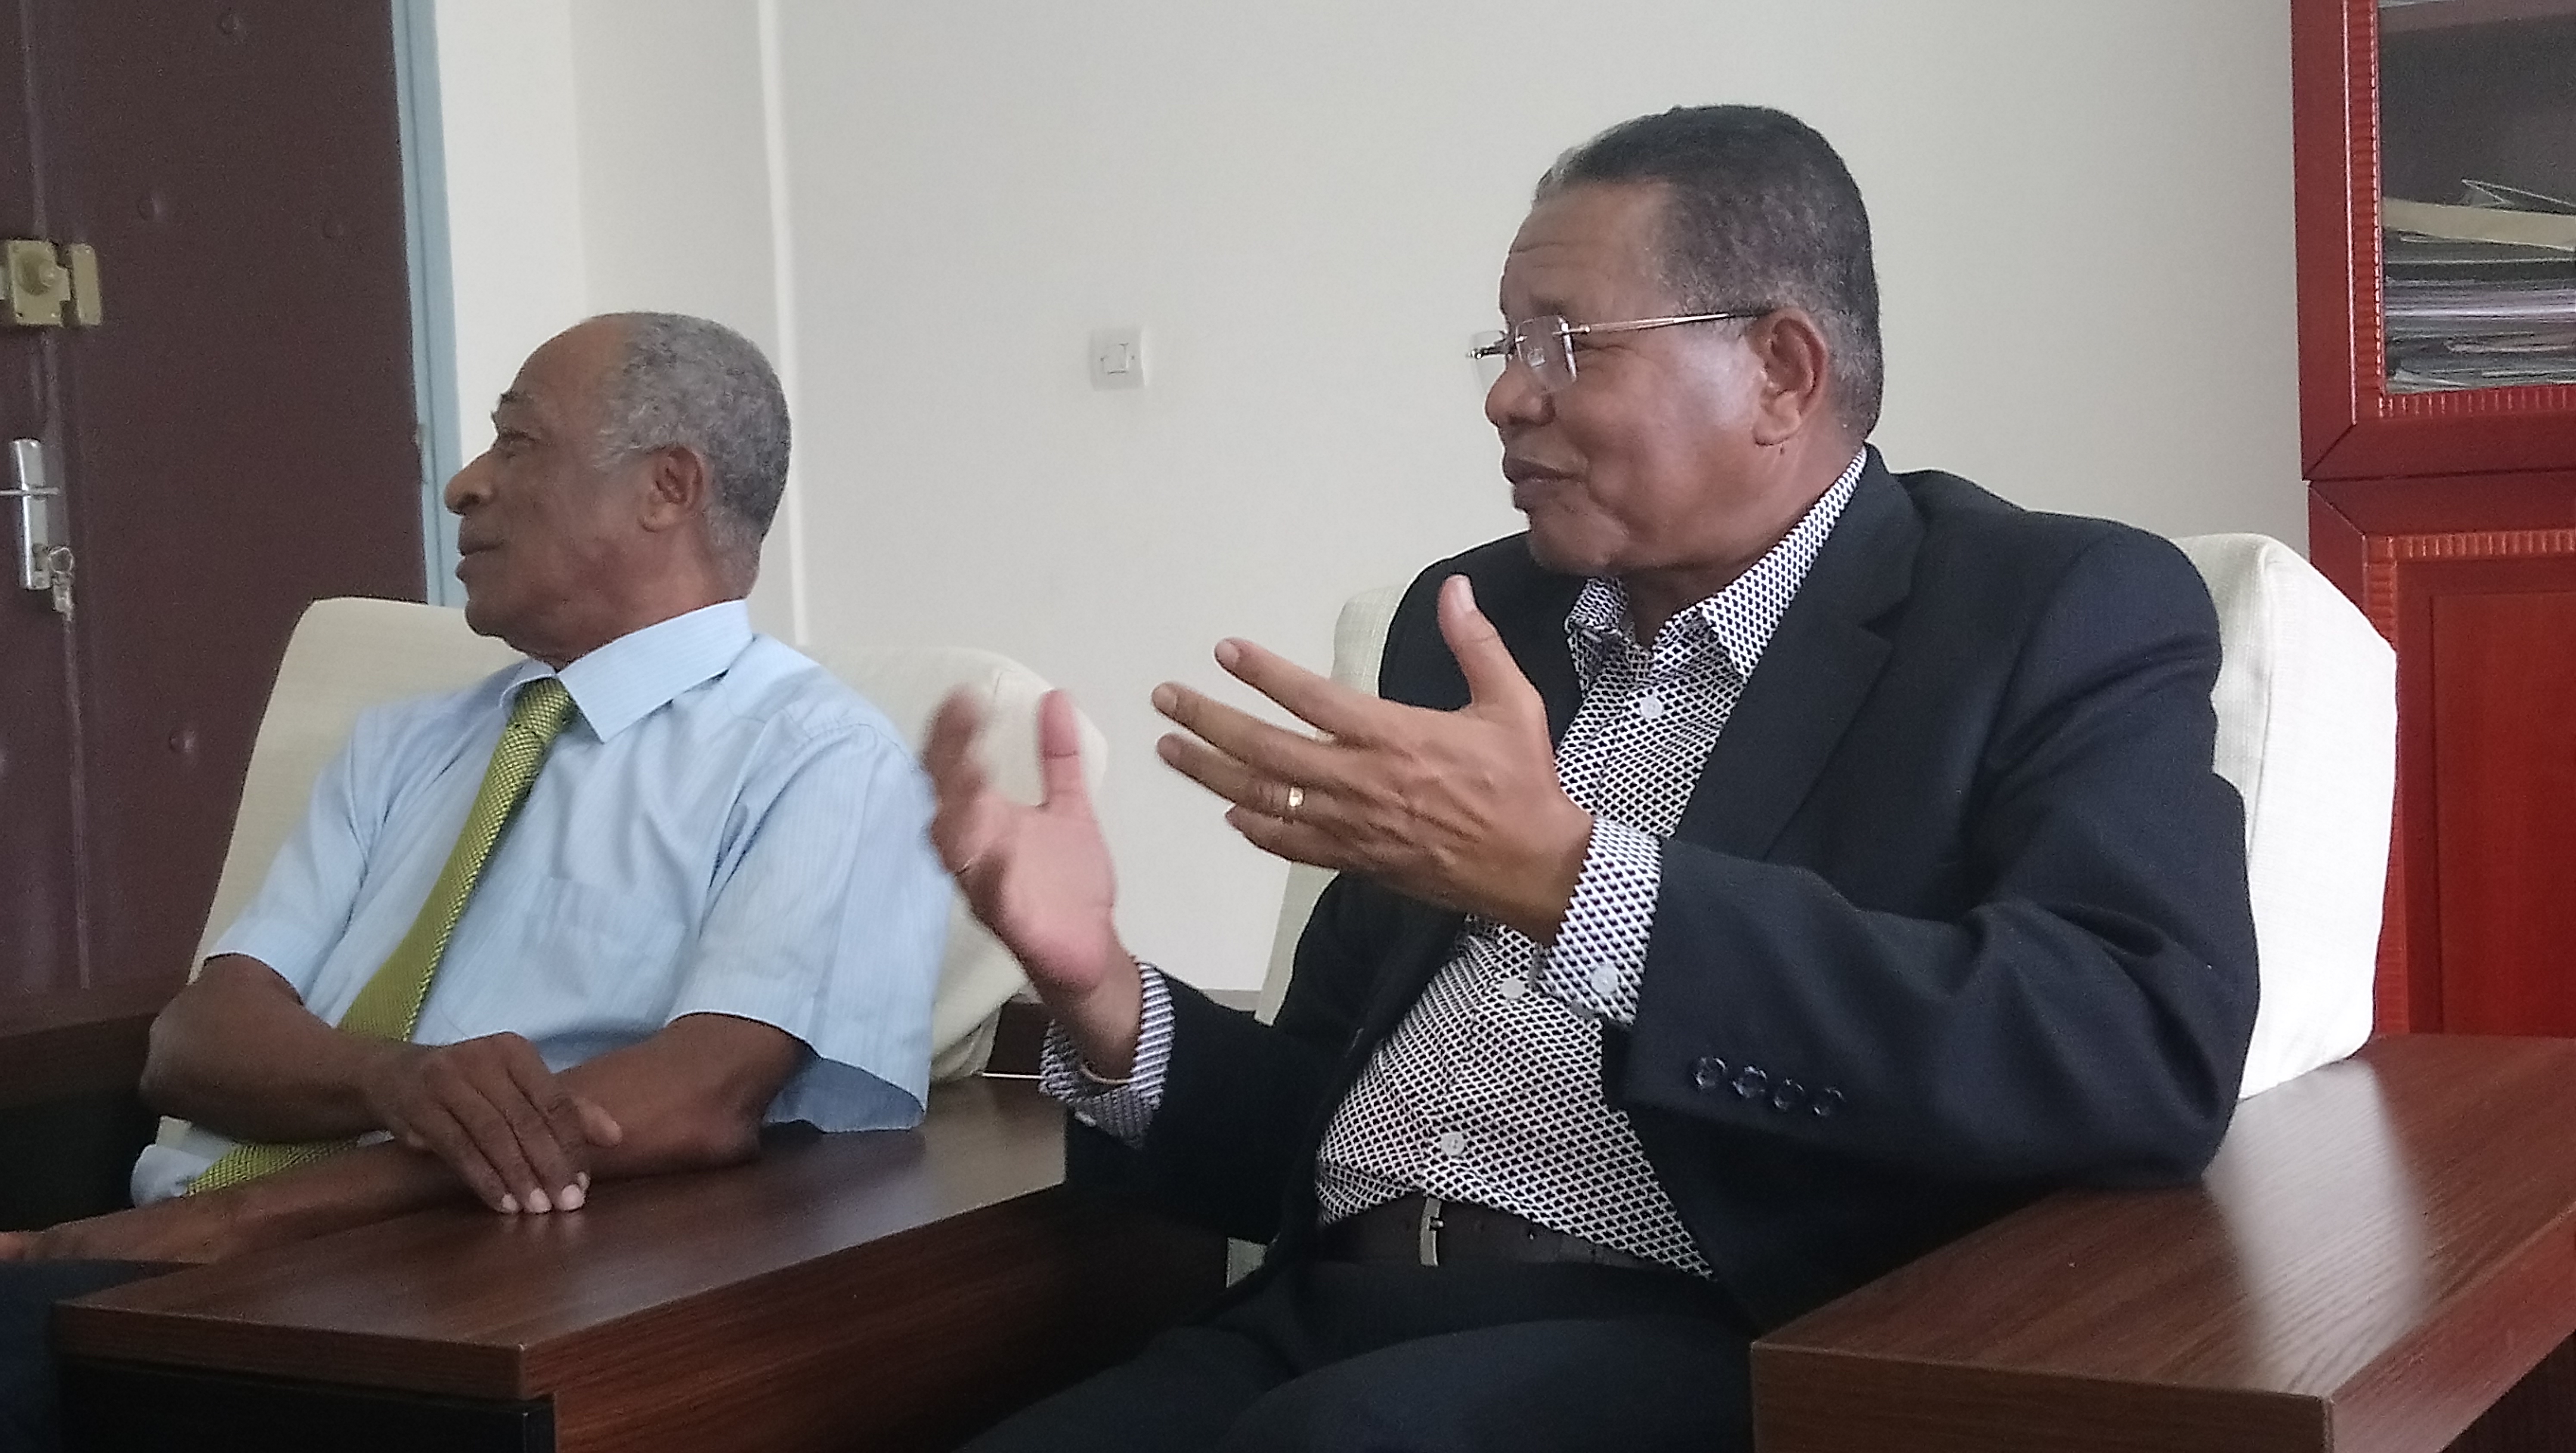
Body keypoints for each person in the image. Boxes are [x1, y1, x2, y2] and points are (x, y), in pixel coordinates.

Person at [924, 106, 2258, 1453]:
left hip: (1702, 1342)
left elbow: (2139, 1048)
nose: (1508, 396)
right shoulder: (1468, 625)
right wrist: (1099, 992)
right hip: (1323, 1322)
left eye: (1564, 344)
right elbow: (1310, 1127)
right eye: (1506, 346)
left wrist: (1575, 884)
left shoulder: (2044, 610)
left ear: (1781, 372)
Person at [0, 312, 951, 1451]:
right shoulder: (402, 745)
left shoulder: (818, 762)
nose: (464, 485)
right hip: (157, 1262)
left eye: (517, 442)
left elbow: (700, 1100)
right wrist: (391, 1079)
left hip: (437, 1299)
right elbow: (196, 1042)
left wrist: (242, 1225)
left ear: (667, 489)